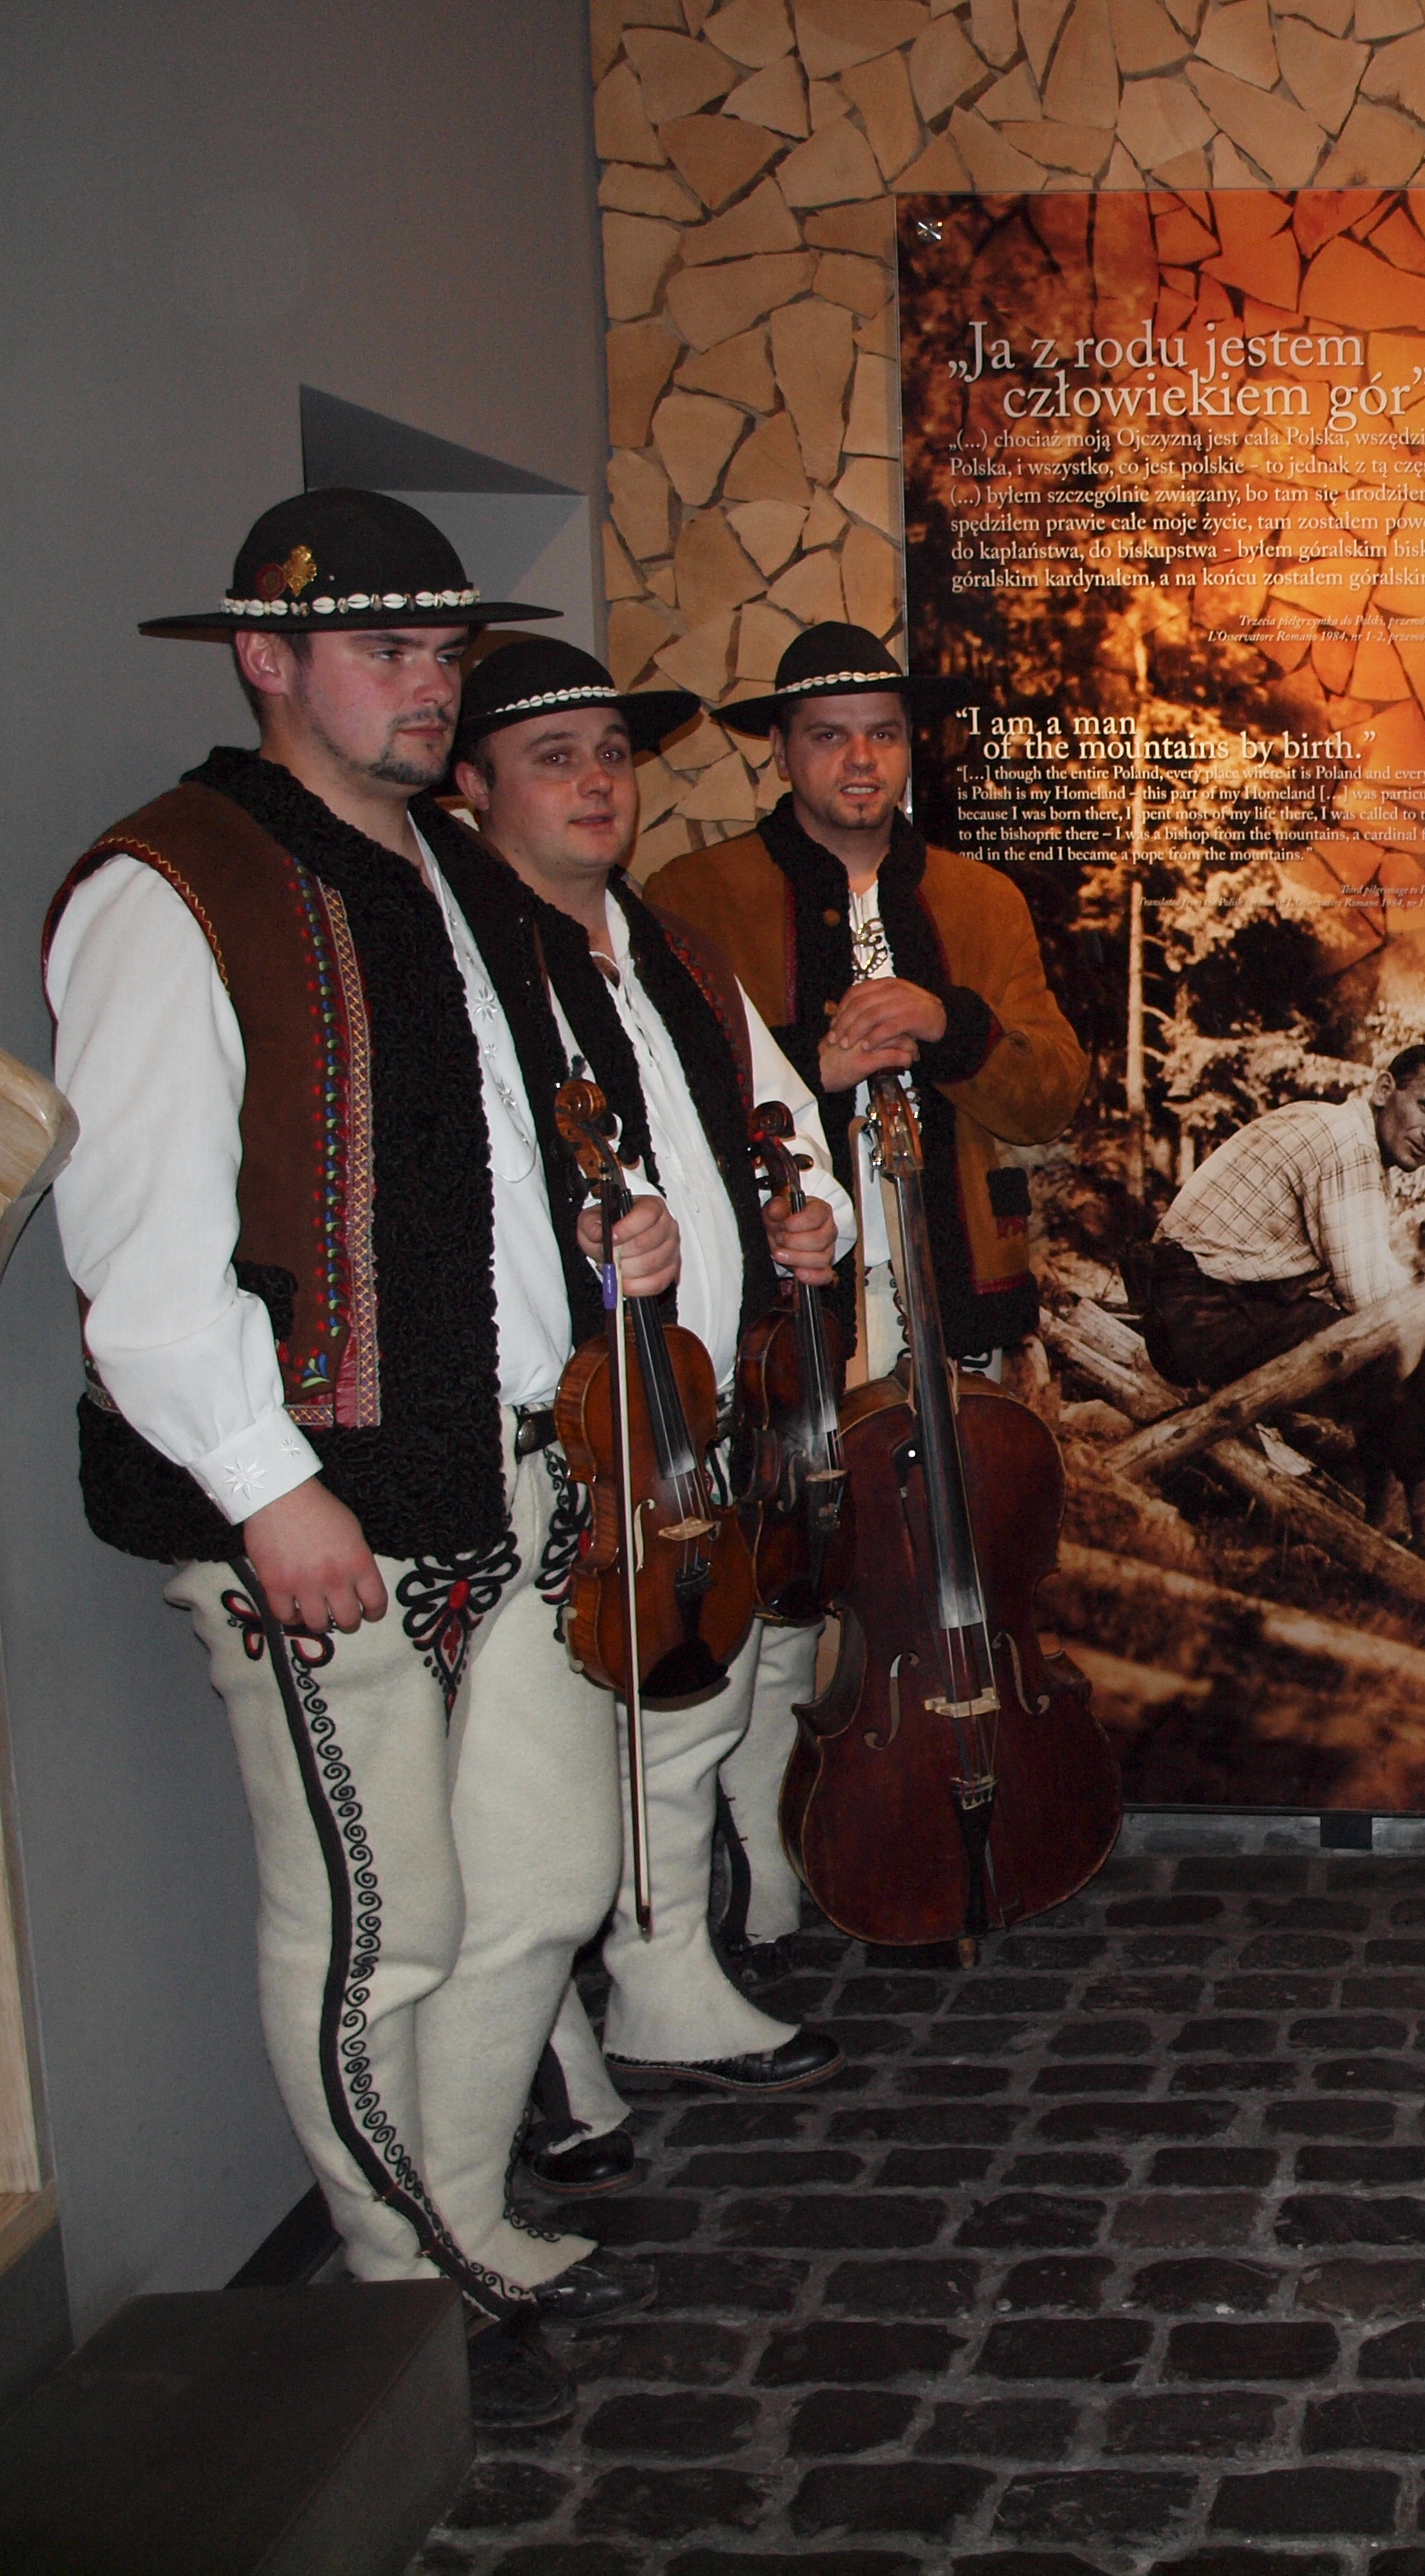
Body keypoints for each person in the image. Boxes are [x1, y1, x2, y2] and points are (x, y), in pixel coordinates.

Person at [43, 489, 669, 2429]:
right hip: (322, 1499)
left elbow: (483, 1147)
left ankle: (463, 2204)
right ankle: (404, 2281)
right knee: (376, 1921)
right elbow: (139, 1240)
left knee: (545, 1874)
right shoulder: (177, 883)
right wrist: (263, 1482)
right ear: (265, 656)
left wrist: (607, 1234)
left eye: (442, 652)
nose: (427, 685)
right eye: (384, 650)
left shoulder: (452, 871)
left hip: (518, 1469)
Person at [445, 638, 859, 2197]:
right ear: (472, 786)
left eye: (611, 752)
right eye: (552, 757)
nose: (596, 782)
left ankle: (667, 1969)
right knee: (541, 1762)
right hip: (556, 1421)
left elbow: (782, 1122)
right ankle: (545, 2037)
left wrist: (808, 1219)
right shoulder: (461, 963)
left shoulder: (675, 954)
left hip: (694, 1405)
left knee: (693, 1698)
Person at [646, 622, 1089, 1389]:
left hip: (959, 1290)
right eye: (829, 735)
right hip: (787, 1297)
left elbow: (1050, 1098)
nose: (861, 758)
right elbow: (669, 1100)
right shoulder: (695, 897)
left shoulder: (984, 899)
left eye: (883, 733)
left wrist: (946, 1023)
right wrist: (810, 1066)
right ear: (780, 751)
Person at [1135, 1044, 1425, 1570]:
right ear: (1384, 1090)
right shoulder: (1346, 1145)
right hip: (1202, 1313)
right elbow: (1370, 1299)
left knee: (1391, 1354)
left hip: (1201, 1305)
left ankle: (1382, 1528)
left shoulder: (1343, 1134)